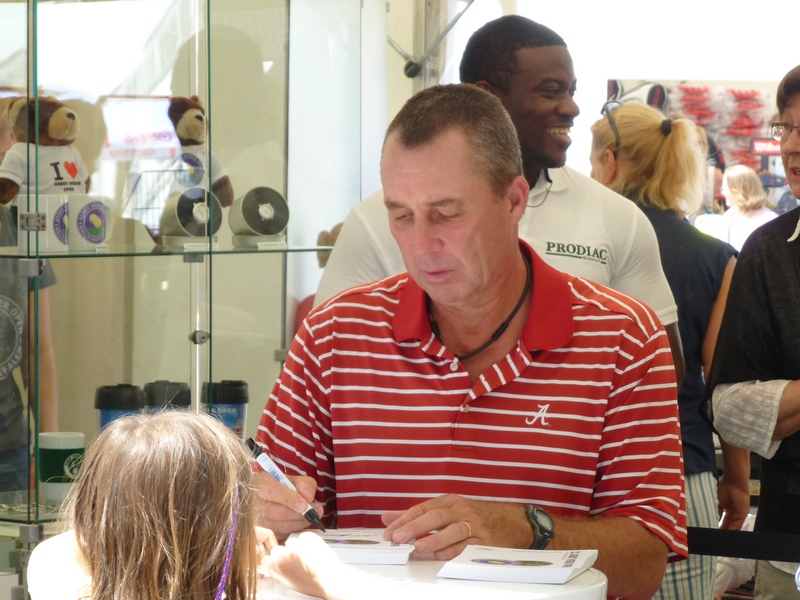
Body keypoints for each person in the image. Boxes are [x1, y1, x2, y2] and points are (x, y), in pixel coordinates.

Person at [256, 83, 687, 600]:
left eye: (447, 213)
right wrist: (262, 512)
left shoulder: (622, 338)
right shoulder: (335, 334)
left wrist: (526, 530)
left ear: (513, 201)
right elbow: (263, 517)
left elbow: (644, 564)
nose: (421, 244)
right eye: (401, 216)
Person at [314, 15, 685, 388]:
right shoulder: (375, 219)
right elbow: (330, 360)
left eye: (572, 91)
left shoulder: (618, 217)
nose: (571, 108)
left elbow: (660, 371)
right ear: (488, 97)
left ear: (514, 202)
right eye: (551, 90)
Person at [589, 101, 751, 600]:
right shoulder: (714, 256)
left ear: (611, 161)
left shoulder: (580, 245)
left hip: (579, 467)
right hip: (681, 468)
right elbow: (724, 378)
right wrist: (737, 480)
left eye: (592, 161)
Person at [701, 64, 800, 599]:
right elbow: (728, 402)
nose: (792, 148)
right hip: (791, 537)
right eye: (787, 128)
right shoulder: (769, 251)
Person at [713, 164, 777, 251]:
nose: (723, 193)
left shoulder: (769, 220)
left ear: (738, 190)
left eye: (724, 188)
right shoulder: (729, 215)